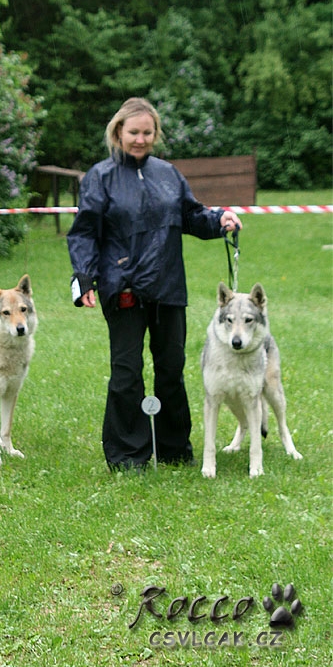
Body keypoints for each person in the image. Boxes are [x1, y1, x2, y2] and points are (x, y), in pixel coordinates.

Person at [67, 97, 242, 471]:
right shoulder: (100, 177)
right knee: (127, 372)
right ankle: (129, 454)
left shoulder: (168, 173)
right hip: (123, 288)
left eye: (147, 132)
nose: (140, 139)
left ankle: (174, 448)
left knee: (171, 368)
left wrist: (219, 219)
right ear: (118, 132)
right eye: (133, 132)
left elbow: (191, 216)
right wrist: (84, 279)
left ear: (155, 134)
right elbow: (83, 233)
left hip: (168, 288)